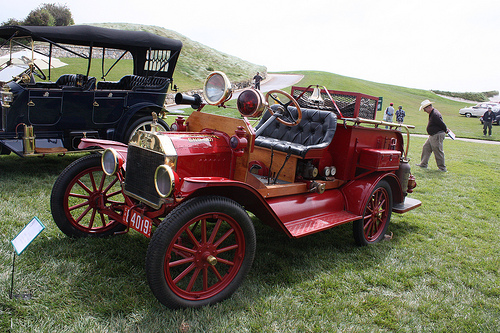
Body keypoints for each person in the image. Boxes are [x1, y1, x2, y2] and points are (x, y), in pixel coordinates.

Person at [416, 100, 450, 172]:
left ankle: (442, 168)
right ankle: (423, 164)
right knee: (426, 147)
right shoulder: (433, 113)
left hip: (437, 135)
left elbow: (441, 124)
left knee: (438, 150)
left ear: (428, 107)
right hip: (433, 135)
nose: (424, 111)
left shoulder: (435, 114)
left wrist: (446, 130)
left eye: (425, 109)